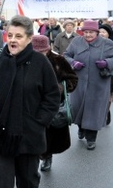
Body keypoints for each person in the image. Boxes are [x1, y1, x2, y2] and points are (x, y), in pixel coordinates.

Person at [0, 15, 61, 188]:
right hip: (0, 133)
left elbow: (53, 96)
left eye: (18, 36)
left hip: (29, 135)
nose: (13, 40)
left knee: (27, 181)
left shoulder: (40, 63)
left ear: (29, 39)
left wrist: (39, 122)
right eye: (10, 35)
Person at [64, 20, 113, 150]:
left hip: (98, 84)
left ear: (97, 32)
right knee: (78, 108)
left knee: (93, 111)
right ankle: (81, 128)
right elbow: (66, 55)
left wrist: (106, 63)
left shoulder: (107, 43)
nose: (88, 35)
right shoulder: (76, 42)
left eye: (91, 32)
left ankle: (91, 138)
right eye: (86, 32)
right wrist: (73, 63)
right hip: (79, 83)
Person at [31, 35, 78, 172]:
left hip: (52, 105)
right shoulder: (25, 59)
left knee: (48, 135)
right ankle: (33, 160)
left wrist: (61, 88)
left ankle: (46, 156)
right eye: (36, 52)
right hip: (31, 104)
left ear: (48, 49)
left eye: (42, 52)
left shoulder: (58, 60)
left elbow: (73, 78)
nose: (39, 55)